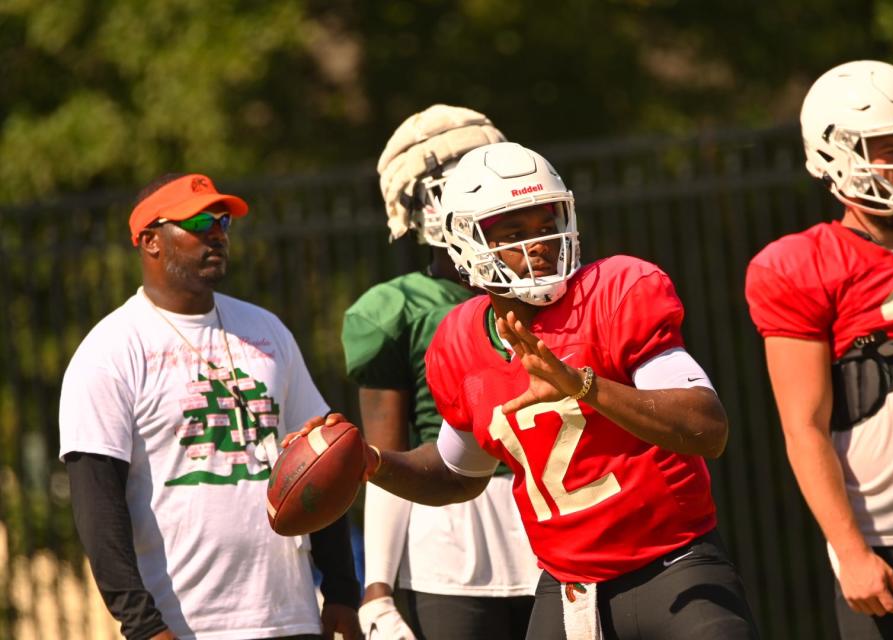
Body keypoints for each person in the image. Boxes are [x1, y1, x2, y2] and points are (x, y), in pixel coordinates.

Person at [295, 141, 758, 639]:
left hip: (674, 568)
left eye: (545, 226)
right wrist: (372, 462)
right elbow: (458, 474)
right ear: (465, 244)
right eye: (513, 233)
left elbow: (707, 427)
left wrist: (584, 386)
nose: (537, 244)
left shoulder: (615, 291)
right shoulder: (460, 339)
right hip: (568, 587)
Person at [59, 173, 362, 640]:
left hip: (291, 615)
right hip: (185, 626)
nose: (216, 233)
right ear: (149, 241)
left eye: (222, 221)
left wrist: (341, 589)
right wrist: (142, 626)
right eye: (198, 221)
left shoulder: (266, 330)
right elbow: (98, 505)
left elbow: (317, 462)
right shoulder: (111, 350)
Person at [745, 60, 893, 639]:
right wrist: (849, 550)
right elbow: (804, 427)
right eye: (887, 147)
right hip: (886, 545)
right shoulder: (797, 264)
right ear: (833, 153)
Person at [343, 105, 539, 640]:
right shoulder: (398, 308)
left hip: (552, 525)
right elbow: (383, 460)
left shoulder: (546, 290)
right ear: (419, 204)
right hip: (449, 543)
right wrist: (376, 587)